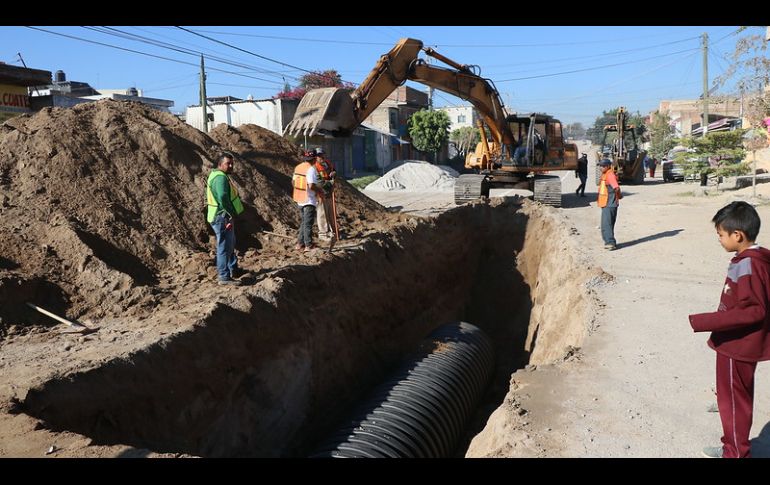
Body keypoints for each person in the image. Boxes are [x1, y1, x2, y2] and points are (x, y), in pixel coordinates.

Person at [689, 201, 770, 458]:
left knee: (734, 402)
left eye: (721, 235)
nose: (720, 240)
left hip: (738, 345)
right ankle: (732, 446)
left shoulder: (749, 264)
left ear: (738, 235)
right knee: (732, 399)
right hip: (736, 343)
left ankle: (735, 452)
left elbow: (754, 310)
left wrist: (707, 321)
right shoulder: (752, 259)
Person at [205, 153, 245, 285]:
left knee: (230, 243)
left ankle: (233, 269)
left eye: (232, 163)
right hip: (222, 216)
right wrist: (230, 212)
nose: (231, 166)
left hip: (220, 215)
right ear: (220, 164)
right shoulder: (220, 178)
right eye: (228, 163)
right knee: (224, 247)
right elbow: (222, 196)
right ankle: (224, 276)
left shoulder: (217, 175)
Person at [292, 150, 321, 252]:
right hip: (309, 200)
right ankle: (308, 245)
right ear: (314, 159)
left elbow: (293, 182)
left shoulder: (299, 167)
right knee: (308, 223)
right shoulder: (311, 169)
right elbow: (311, 185)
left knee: (304, 222)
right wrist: (320, 191)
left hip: (299, 199)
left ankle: (300, 244)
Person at [312, 147, 337, 242]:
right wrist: (330, 183)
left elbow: (333, 170)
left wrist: (334, 173)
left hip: (329, 192)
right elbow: (319, 183)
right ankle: (323, 233)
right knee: (322, 214)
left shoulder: (327, 163)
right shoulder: (314, 167)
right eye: (319, 155)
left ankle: (332, 231)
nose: (321, 157)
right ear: (315, 157)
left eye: (322, 155)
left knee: (331, 213)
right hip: (320, 193)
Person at [597, 158, 621, 250]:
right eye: (600, 166)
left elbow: (616, 188)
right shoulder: (605, 174)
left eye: (602, 166)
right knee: (606, 224)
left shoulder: (610, 175)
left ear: (607, 166)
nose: (600, 168)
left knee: (607, 224)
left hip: (610, 203)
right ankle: (609, 242)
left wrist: (619, 196)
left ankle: (610, 243)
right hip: (606, 203)